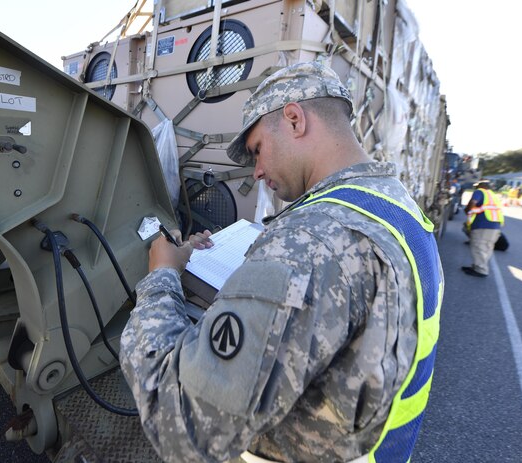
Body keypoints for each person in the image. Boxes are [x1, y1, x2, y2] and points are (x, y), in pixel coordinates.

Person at [120, 61, 444, 463]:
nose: (256, 171)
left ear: (293, 119)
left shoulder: (311, 238)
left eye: (257, 150)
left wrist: (162, 275)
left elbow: (181, 423)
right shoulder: (395, 205)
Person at [462, 180, 504, 277]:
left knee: (478, 246)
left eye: (477, 186)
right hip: (495, 226)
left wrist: (467, 210)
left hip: (484, 225)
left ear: (481, 186)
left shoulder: (480, 191)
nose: (476, 188)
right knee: (486, 248)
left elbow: (473, 202)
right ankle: (478, 266)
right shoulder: (493, 195)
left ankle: (481, 270)